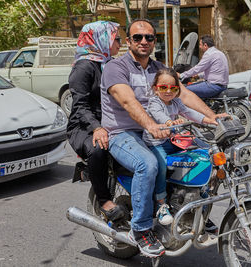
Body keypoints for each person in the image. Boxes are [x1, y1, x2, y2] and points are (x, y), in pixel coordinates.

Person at [100, 19, 222, 257]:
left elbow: (184, 95)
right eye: (138, 37)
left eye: (149, 37)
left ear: (155, 41)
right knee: (148, 164)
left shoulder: (159, 68)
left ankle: (195, 212)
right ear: (128, 42)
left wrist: (214, 117)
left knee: (202, 155)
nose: (144, 41)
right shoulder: (116, 68)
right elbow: (128, 101)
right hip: (123, 133)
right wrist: (152, 124)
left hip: (157, 130)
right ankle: (142, 228)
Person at [67, 21, 123, 221]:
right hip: (83, 126)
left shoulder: (109, 63)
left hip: (108, 122)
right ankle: (104, 200)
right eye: (116, 38)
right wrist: (97, 128)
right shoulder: (84, 67)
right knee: (98, 149)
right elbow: (80, 106)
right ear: (100, 39)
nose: (119, 42)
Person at [143, 68, 213, 226]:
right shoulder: (154, 102)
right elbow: (159, 115)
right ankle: (161, 205)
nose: (168, 91)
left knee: (201, 156)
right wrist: (169, 123)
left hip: (172, 140)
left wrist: (211, 120)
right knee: (160, 165)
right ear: (156, 88)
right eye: (163, 87)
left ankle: (197, 200)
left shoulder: (176, 101)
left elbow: (189, 113)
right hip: (155, 143)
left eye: (173, 88)